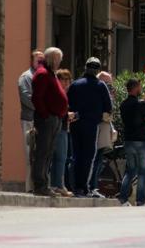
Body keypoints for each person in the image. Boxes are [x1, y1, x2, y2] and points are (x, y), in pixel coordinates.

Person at [67, 57, 112, 197]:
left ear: (85, 68)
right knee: (88, 157)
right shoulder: (100, 86)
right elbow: (108, 107)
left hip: (75, 124)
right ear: (97, 70)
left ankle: (73, 187)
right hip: (91, 125)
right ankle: (83, 187)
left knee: (75, 156)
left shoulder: (75, 84)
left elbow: (67, 103)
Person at [31, 47, 68, 197]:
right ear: (53, 59)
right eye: (58, 60)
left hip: (54, 118)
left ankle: (44, 184)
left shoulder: (49, 73)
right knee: (42, 152)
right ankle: (40, 186)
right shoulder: (43, 74)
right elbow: (37, 98)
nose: (59, 63)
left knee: (48, 153)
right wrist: (45, 114)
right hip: (47, 119)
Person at [118, 83, 145, 206]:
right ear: (135, 88)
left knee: (130, 171)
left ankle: (123, 198)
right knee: (143, 172)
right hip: (141, 141)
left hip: (128, 141)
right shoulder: (141, 104)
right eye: (139, 86)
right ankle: (140, 200)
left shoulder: (123, 104)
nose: (140, 89)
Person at [17, 50, 44, 193]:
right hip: (30, 120)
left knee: (40, 155)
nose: (40, 63)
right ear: (32, 61)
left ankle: (39, 186)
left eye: (42, 60)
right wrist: (43, 107)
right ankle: (29, 189)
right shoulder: (26, 77)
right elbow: (26, 97)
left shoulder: (43, 77)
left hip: (42, 121)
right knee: (30, 156)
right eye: (38, 60)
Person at [88, 71, 118, 198]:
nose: (109, 88)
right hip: (96, 129)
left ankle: (93, 187)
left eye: (110, 86)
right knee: (94, 160)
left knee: (99, 160)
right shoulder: (94, 93)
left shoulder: (107, 95)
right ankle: (90, 187)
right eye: (106, 84)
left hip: (104, 130)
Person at [50, 69, 75, 197]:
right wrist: (68, 114)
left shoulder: (62, 93)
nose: (66, 82)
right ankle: (59, 185)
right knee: (60, 158)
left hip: (61, 127)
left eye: (68, 80)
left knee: (57, 158)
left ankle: (54, 185)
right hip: (60, 128)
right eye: (63, 79)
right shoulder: (59, 93)